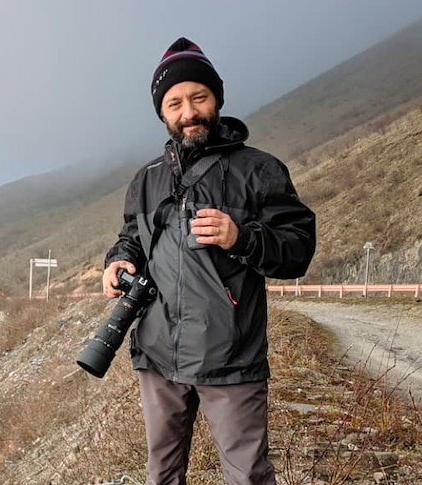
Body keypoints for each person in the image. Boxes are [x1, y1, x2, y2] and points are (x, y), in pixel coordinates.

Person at [102, 37, 316, 485]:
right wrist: (119, 260)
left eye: (198, 97)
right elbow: (132, 237)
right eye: (175, 103)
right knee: (161, 472)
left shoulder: (259, 170)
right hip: (158, 354)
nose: (189, 112)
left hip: (231, 357)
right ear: (162, 112)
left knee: (247, 475)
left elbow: (297, 248)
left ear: (216, 98)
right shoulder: (147, 179)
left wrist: (240, 237)